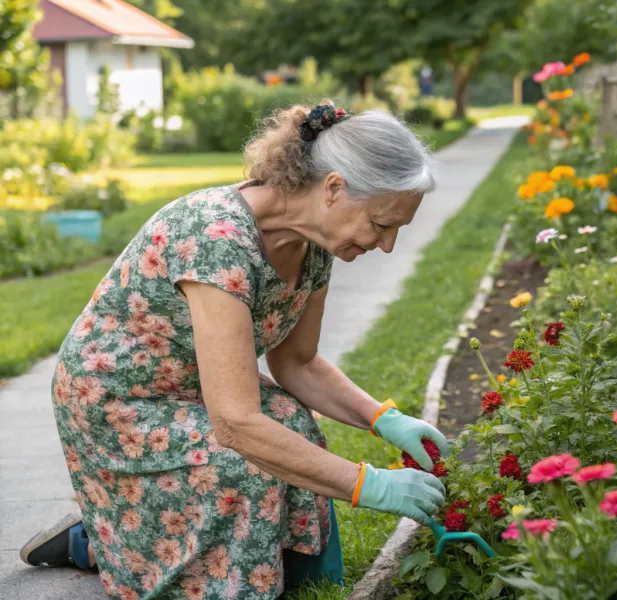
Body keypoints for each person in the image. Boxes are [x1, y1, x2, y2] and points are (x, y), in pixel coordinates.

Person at [20, 102, 449, 599]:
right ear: (334, 189)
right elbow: (235, 421)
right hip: (119, 402)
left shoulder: (314, 244)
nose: (388, 244)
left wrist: (385, 420)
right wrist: (368, 484)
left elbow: (298, 363)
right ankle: (102, 543)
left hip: (188, 386)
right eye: (381, 224)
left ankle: (138, 538)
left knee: (293, 423)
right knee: (242, 463)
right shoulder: (217, 238)